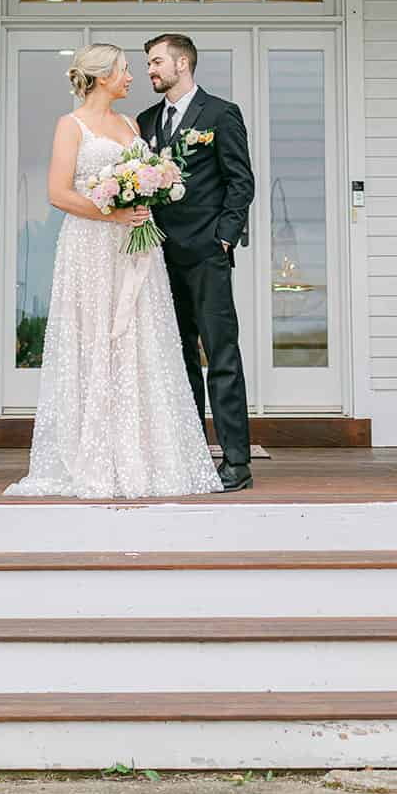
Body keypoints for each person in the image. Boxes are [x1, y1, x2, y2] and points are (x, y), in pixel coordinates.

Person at [5, 42, 222, 500]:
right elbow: (58, 194)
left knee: (142, 343)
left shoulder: (130, 124)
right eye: (125, 70)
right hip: (91, 248)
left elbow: (146, 177)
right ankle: (95, 455)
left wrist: (150, 192)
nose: (132, 77)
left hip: (135, 247)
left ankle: (145, 453)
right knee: (96, 341)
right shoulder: (71, 126)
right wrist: (113, 215)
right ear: (103, 77)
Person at [138, 33, 256, 492]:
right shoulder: (147, 120)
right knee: (180, 356)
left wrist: (224, 239)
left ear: (182, 63)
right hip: (158, 256)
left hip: (206, 255)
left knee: (221, 355)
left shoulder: (220, 114)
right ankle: (189, 454)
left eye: (156, 62)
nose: (150, 70)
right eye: (148, 64)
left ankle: (237, 462)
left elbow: (240, 182)